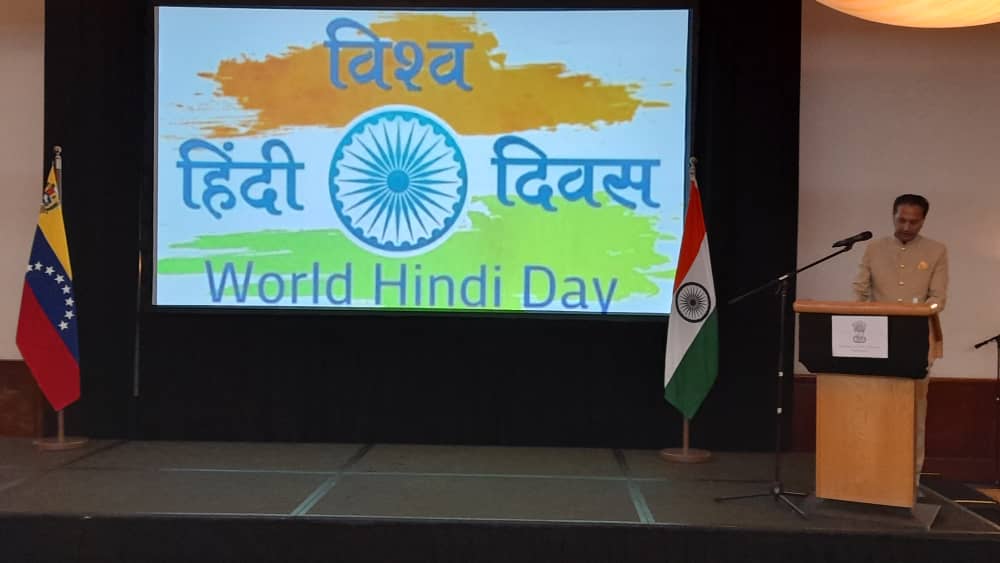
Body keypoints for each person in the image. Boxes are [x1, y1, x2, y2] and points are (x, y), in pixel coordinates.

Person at [852, 193, 948, 489]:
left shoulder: (936, 250)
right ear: (893, 215)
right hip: (876, 343)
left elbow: (938, 298)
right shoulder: (873, 248)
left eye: (913, 222)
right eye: (901, 219)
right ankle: (870, 475)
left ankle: (910, 480)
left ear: (923, 221)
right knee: (873, 411)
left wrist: (916, 314)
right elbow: (859, 291)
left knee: (913, 415)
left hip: (918, 342)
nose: (906, 226)